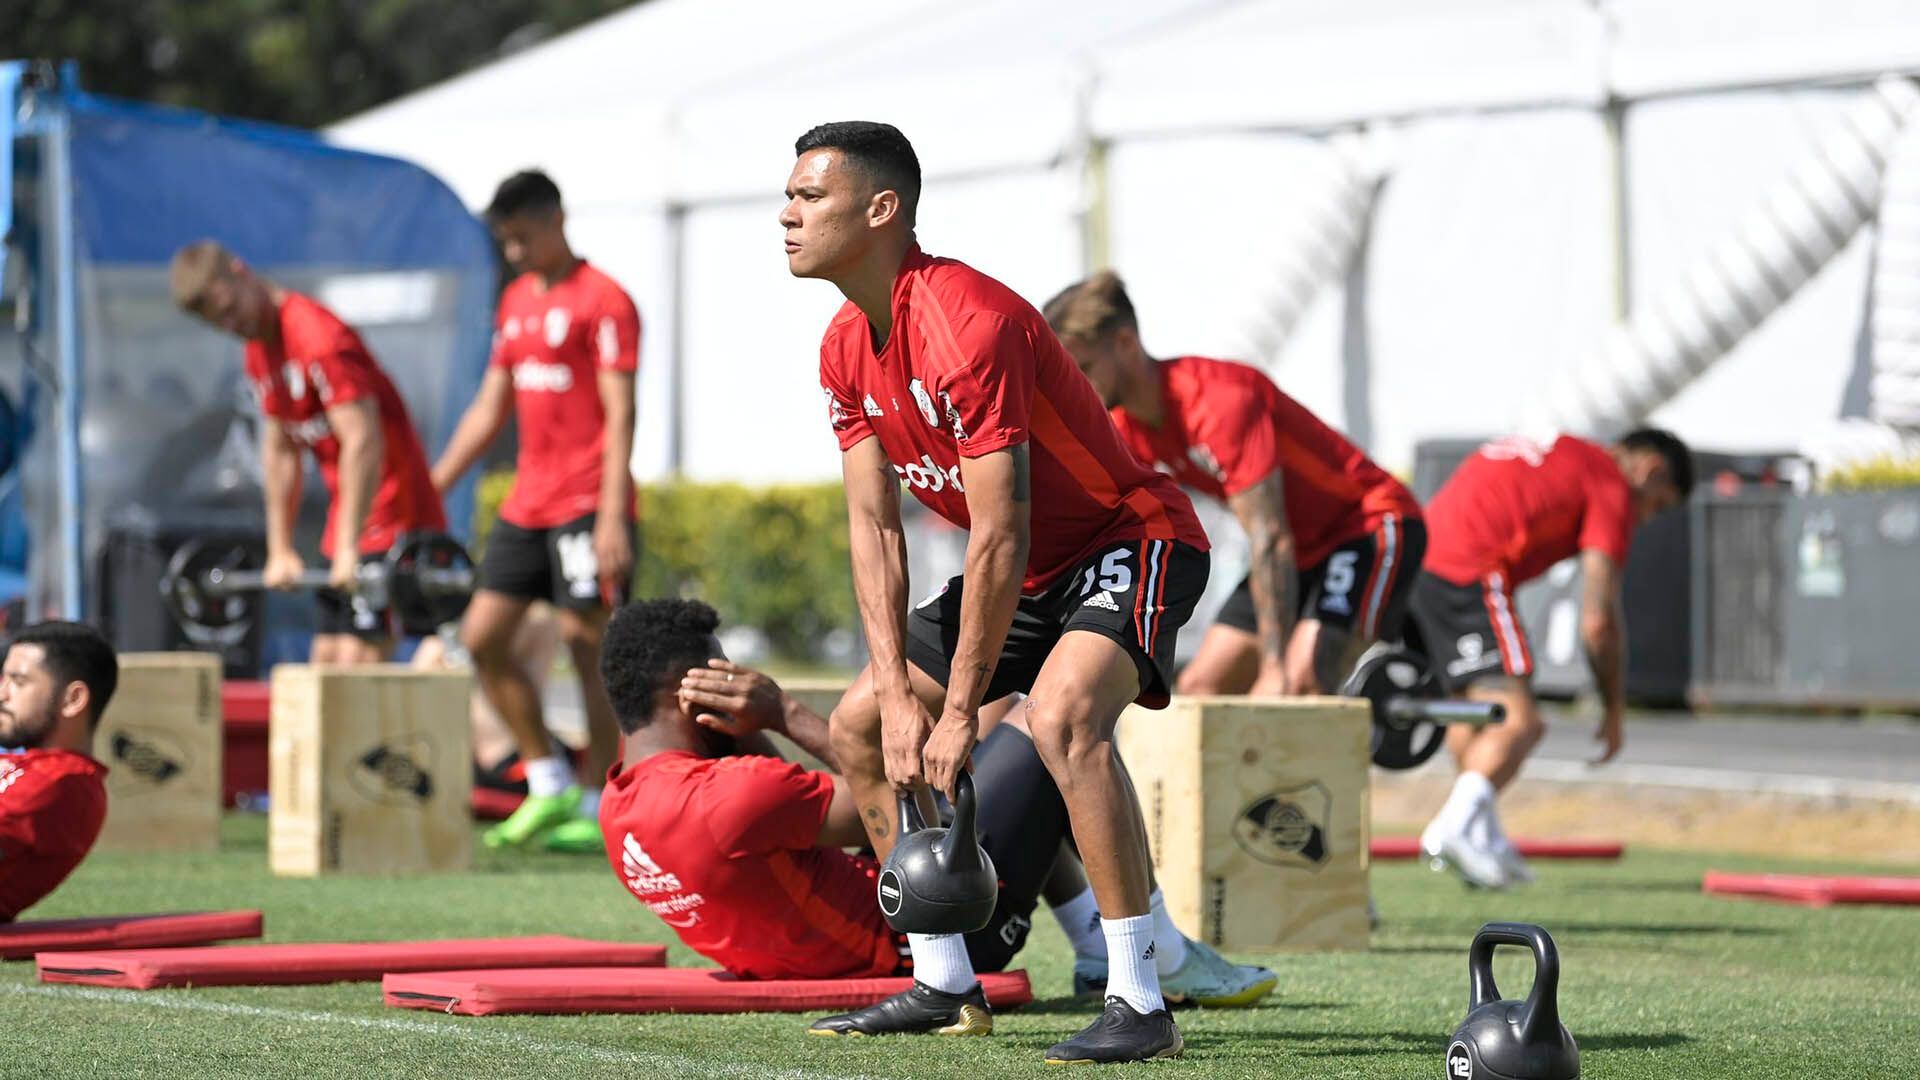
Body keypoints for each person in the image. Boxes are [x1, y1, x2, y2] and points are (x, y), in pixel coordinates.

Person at [784, 122, 1229, 1064]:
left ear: (881, 209)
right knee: (863, 723)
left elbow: (1000, 529)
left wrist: (956, 715)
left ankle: (1141, 999)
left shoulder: (970, 323)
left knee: (1066, 720)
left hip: (1129, 537)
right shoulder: (839, 347)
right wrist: (902, 697)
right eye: (788, 195)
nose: (787, 213)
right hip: (1023, 571)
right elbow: (873, 529)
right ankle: (943, 981)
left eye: (810, 196)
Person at [597, 597, 1276, 1006]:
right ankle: (1147, 946)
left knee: (999, 715)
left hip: (822, 939)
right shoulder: (729, 797)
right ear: (697, 689)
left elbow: (777, 834)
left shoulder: (617, 805)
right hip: (936, 931)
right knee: (1052, 720)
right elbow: (907, 801)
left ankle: (1093, 944)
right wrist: (786, 713)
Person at [1044, 272, 1426, 696]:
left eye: (1084, 369)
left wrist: (1274, 665)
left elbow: (1271, 535)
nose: (1076, 387)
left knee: (1298, 682)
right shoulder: (1123, 426)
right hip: (1297, 551)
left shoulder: (1218, 400)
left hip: (1368, 525)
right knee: (1200, 687)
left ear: (1126, 345)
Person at [431, 170, 640, 854]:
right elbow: (491, 407)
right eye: (506, 242)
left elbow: (620, 412)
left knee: (589, 648)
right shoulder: (516, 300)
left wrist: (613, 517)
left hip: (586, 504)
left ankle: (600, 798)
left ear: (556, 219)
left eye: (522, 238)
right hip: (527, 505)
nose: (514, 253)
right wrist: (434, 484)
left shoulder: (604, 300)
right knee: (481, 637)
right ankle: (549, 783)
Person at [1408, 431, 1692, 888]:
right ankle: (1452, 829)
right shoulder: (1612, 486)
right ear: (1650, 470)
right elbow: (1598, 623)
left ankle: (1483, 837)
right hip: (1470, 569)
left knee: (1471, 716)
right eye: (1656, 505)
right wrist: (1615, 708)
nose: (1644, 518)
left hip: (1421, 564)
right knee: (1520, 722)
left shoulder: (1567, 452)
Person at [169, 242, 447, 663]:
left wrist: (352, 545)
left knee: (358, 668)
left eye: (230, 308)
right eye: (218, 322)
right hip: (349, 523)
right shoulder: (259, 349)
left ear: (240, 272)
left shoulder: (318, 336)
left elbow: (363, 439)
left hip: (395, 514)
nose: (231, 324)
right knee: (324, 662)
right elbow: (280, 449)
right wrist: (280, 549)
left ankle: (442, 661)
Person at [0, 621, 116, 922]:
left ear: (72, 700)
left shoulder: (63, 782)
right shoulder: (30, 767)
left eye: (19, 682)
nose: (2, 694)